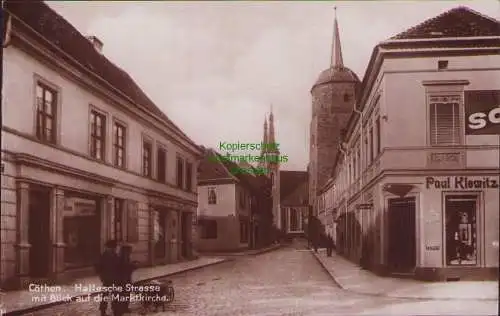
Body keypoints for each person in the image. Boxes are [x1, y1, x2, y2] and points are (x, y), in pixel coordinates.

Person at [95, 240, 120, 316]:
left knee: (114, 295)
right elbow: (98, 267)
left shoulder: (114, 255)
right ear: (109, 247)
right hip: (107, 279)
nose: (114, 249)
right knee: (105, 295)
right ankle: (103, 311)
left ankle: (115, 310)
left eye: (114, 247)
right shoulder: (104, 256)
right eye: (112, 247)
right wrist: (101, 276)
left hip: (113, 279)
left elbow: (118, 267)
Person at [115, 244, 138, 316]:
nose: (131, 252)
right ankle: (121, 310)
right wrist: (133, 266)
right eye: (130, 251)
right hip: (123, 280)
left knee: (126, 294)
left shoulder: (123, 257)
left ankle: (124, 308)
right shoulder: (123, 258)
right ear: (126, 251)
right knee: (123, 294)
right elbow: (126, 267)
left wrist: (132, 265)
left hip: (125, 279)